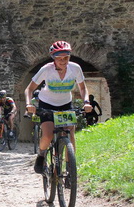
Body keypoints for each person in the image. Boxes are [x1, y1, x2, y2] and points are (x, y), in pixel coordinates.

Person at [24, 41, 92, 174]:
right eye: (59, 58)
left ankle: (70, 168)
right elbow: (29, 89)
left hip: (65, 104)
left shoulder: (75, 68)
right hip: (47, 104)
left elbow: (83, 88)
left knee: (70, 134)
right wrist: (28, 104)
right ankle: (41, 155)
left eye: (66, 57)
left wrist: (86, 102)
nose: (63, 61)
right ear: (53, 58)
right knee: (48, 135)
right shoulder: (46, 69)